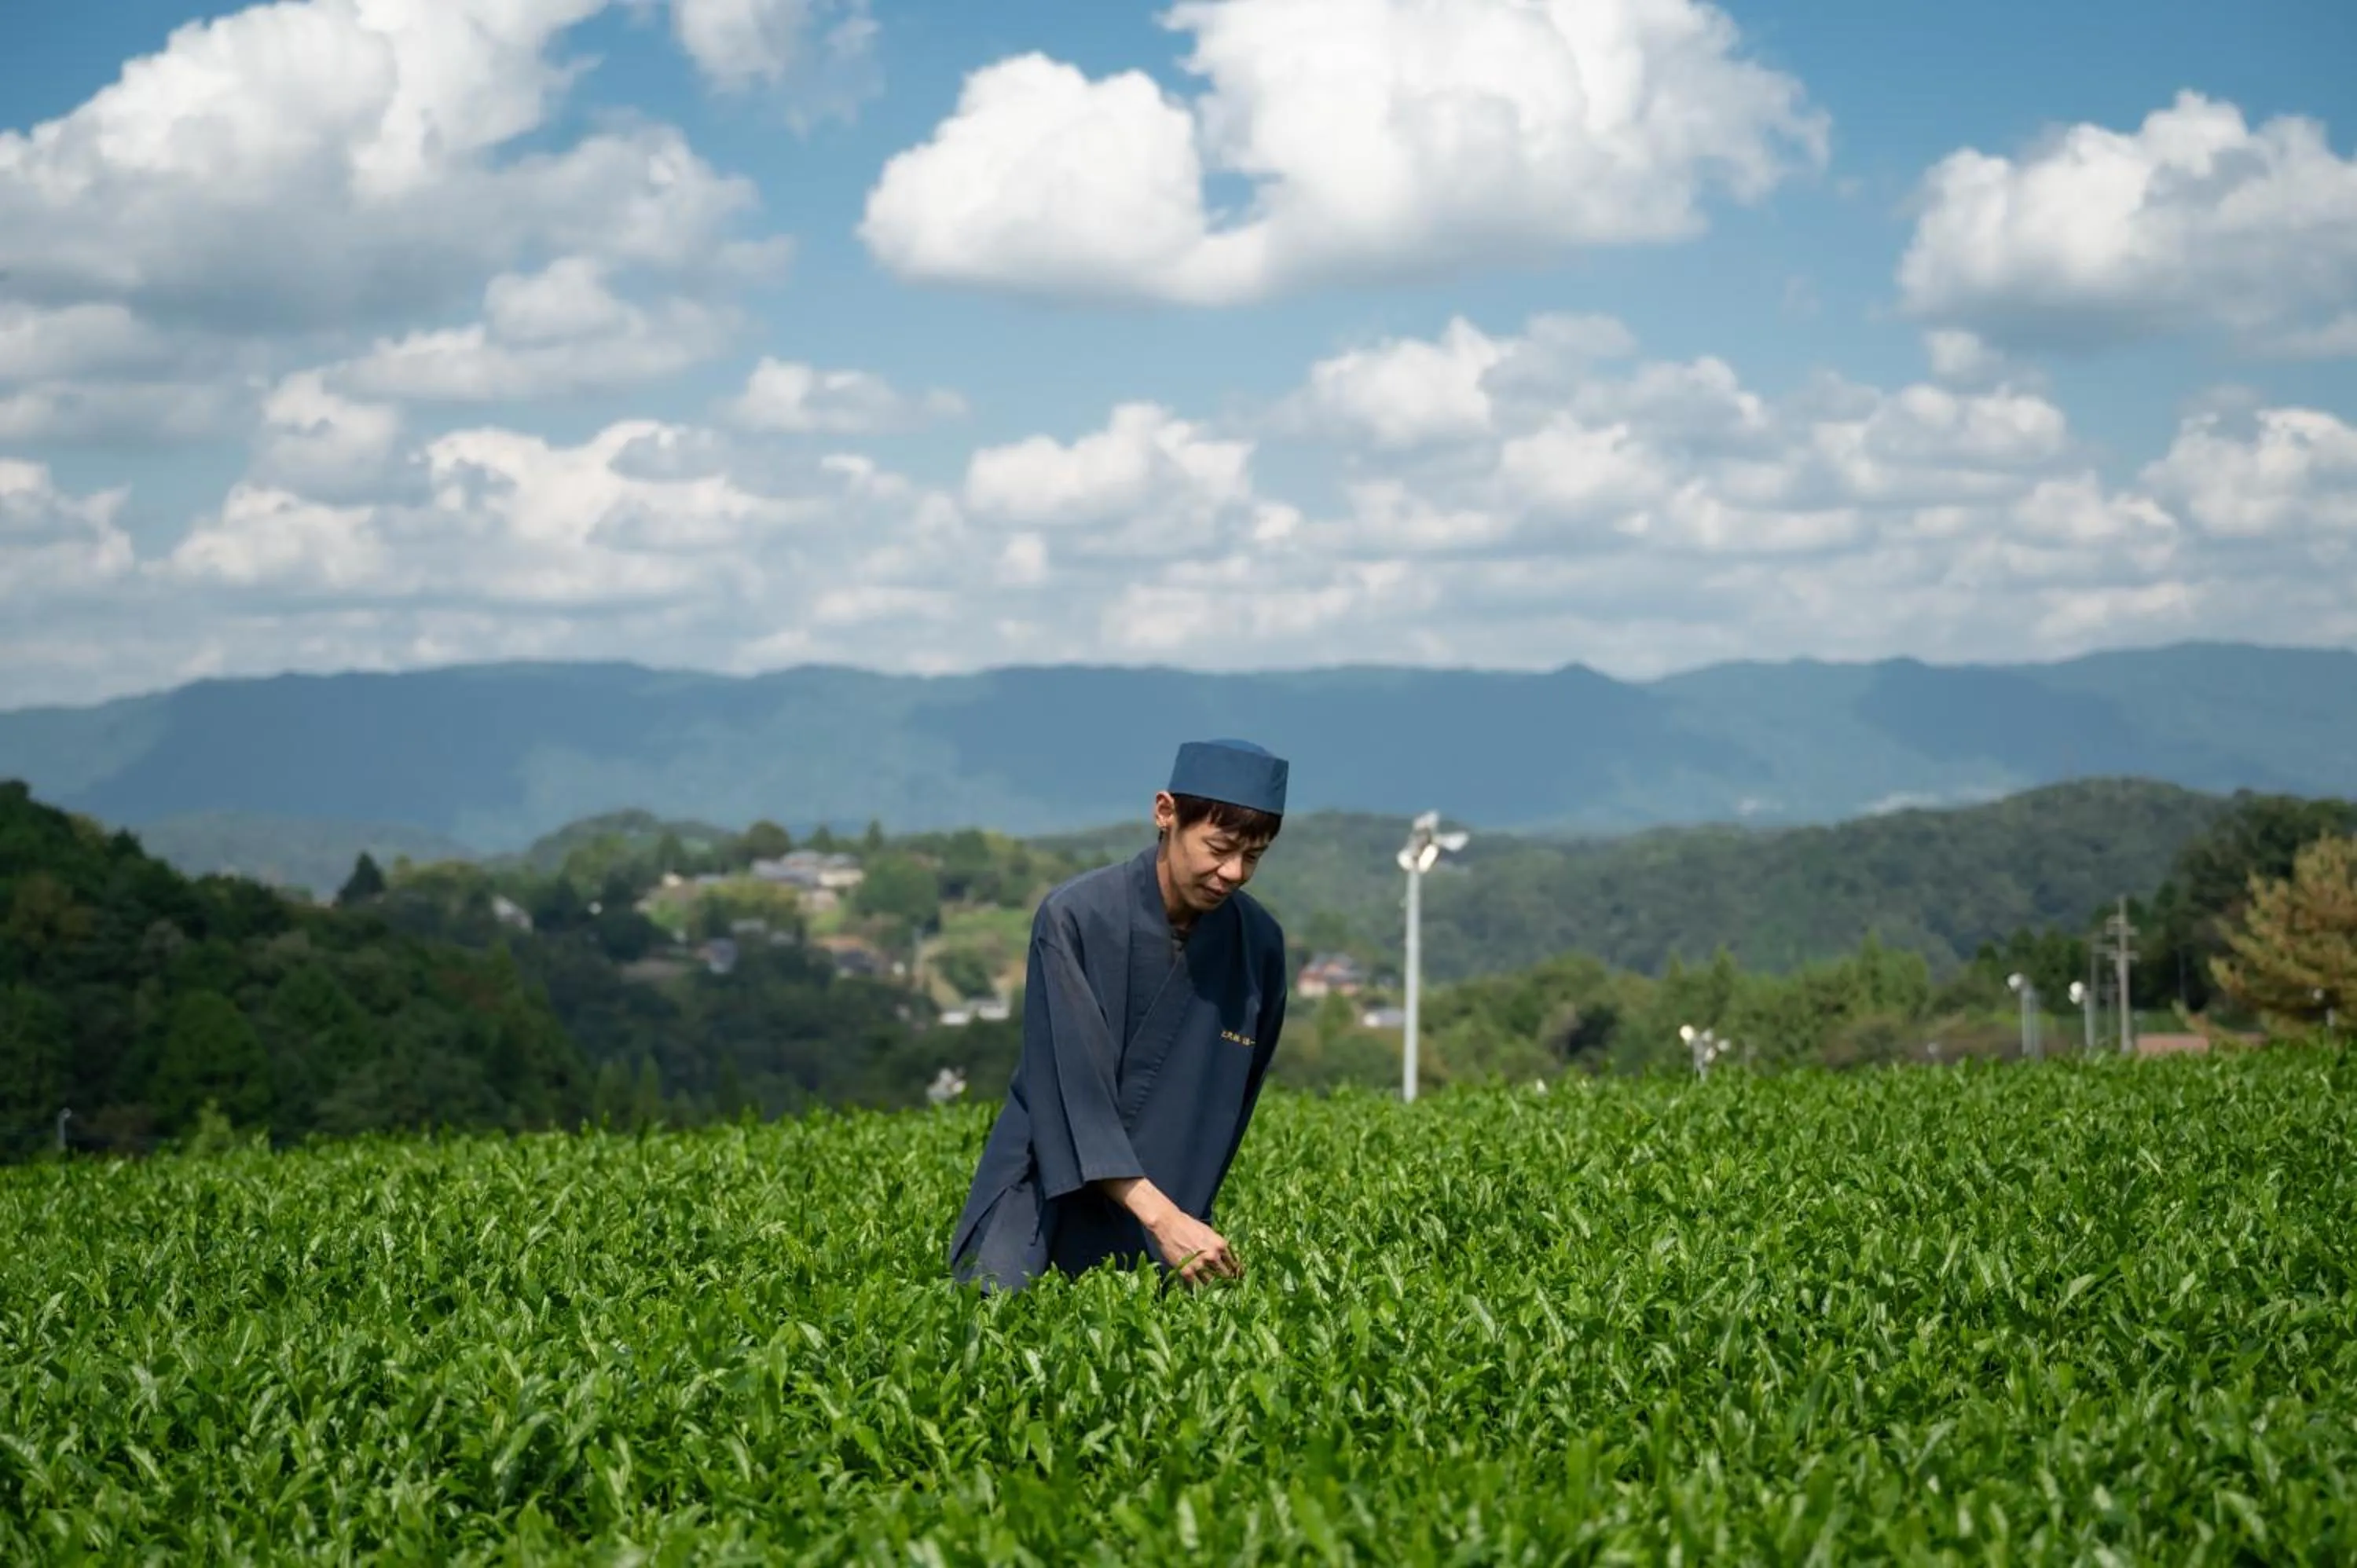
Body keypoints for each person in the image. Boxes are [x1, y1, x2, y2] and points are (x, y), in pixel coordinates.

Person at [947, 738, 1292, 1294]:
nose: (1233, 872)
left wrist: (1180, 1219)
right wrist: (1164, 1218)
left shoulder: (1261, 945)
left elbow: (1233, 1105)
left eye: (1253, 856)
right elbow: (1073, 1093)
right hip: (1042, 1203)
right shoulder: (1075, 918)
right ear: (1165, 813)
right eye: (1219, 847)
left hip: (1166, 1221)